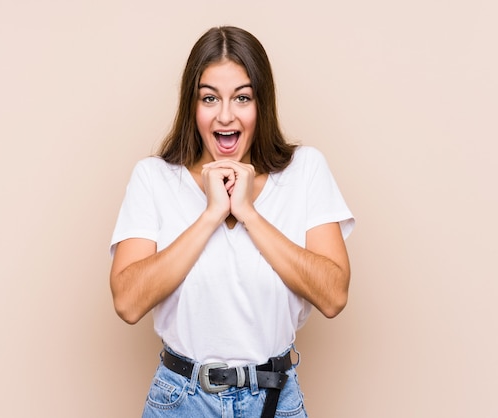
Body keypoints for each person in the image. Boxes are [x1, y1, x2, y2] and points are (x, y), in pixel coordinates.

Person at [109, 26, 355, 418]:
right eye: (210, 98)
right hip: (181, 400)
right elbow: (127, 301)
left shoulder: (305, 171)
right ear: (192, 106)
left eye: (242, 97)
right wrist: (211, 214)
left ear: (263, 104)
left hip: (274, 399)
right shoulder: (153, 178)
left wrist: (247, 213)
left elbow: (333, 295)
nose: (226, 115)